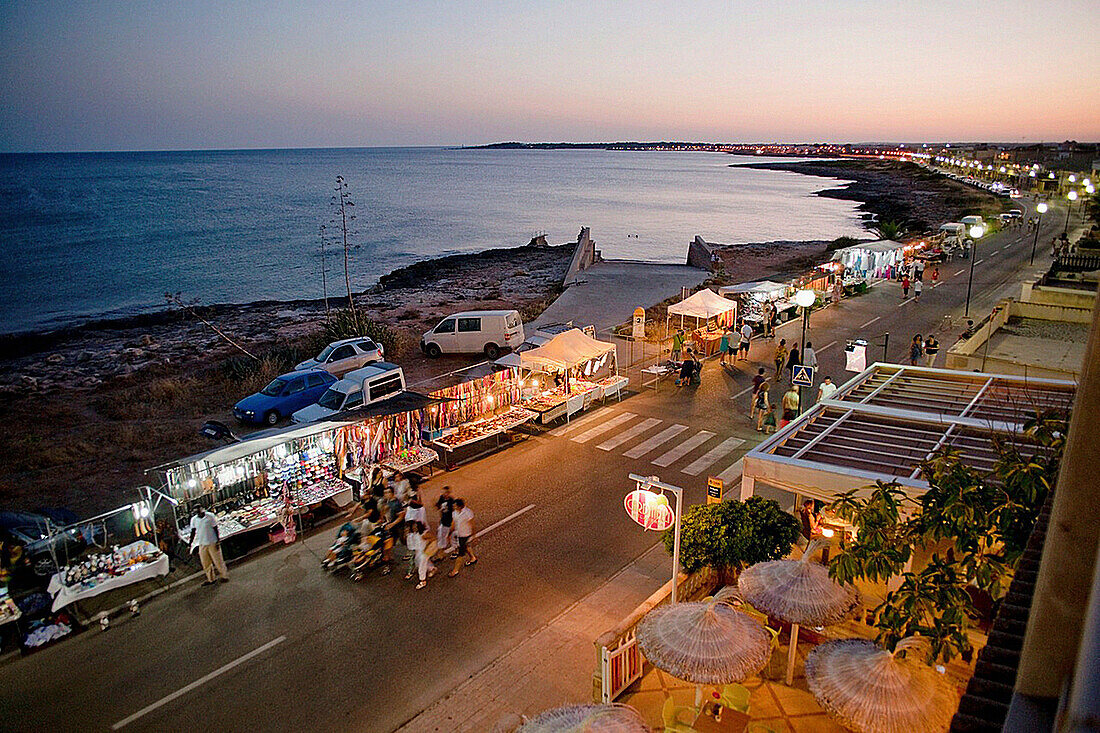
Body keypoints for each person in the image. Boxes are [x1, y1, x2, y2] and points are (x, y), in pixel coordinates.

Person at [188, 506, 228, 585]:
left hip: (212, 542)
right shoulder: (194, 520)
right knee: (205, 563)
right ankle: (211, 579)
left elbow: (215, 528)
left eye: (200, 512)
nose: (199, 514)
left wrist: (218, 541)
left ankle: (224, 576)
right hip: (202, 543)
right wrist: (190, 543)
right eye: (198, 513)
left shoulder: (210, 516)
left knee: (218, 561)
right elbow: (193, 532)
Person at [448, 498, 477, 577]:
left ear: (460, 506)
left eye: (455, 506)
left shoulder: (468, 513)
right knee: (465, 546)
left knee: (461, 553)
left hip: (465, 535)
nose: (454, 507)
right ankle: (472, 558)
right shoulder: (455, 513)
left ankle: (455, 570)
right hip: (459, 534)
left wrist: (474, 536)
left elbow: (472, 524)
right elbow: (453, 524)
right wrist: (450, 533)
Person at [404, 520, 436, 590]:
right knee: (420, 563)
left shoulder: (423, 534)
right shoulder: (412, 534)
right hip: (418, 552)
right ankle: (432, 569)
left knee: (422, 565)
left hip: (424, 552)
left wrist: (428, 546)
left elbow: (434, 538)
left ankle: (422, 580)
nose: (414, 528)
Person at [435, 485, 456, 555]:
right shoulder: (441, 498)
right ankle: (441, 553)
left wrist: (453, 523)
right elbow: (438, 507)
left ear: (448, 493)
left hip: (449, 521)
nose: (444, 494)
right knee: (441, 537)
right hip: (443, 521)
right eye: (443, 492)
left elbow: (454, 512)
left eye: (446, 492)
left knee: (451, 538)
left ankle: (455, 551)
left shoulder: (451, 501)